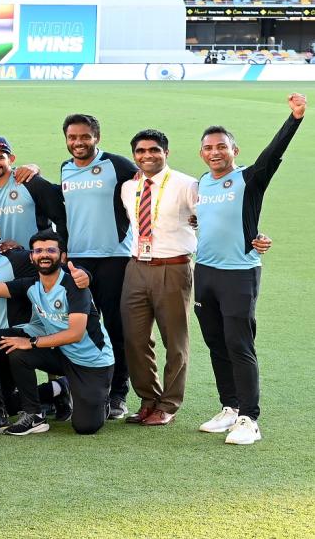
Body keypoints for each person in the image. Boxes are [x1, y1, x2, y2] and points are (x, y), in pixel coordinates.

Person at [193, 93, 304, 445]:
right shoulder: (202, 182)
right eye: (209, 147)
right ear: (202, 153)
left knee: (238, 344)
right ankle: (229, 407)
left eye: (222, 146)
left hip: (239, 273)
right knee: (215, 342)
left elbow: (273, 154)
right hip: (205, 272)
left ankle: (249, 419)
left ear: (234, 151)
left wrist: (295, 118)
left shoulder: (249, 178)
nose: (215, 152)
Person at [0, 230, 115, 435]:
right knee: (2, 348)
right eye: (38, 250)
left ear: (63, 256)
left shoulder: (74, 285)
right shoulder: (31, 285)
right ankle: (35, 414)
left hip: (91, 362)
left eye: (51, 250)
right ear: (32, 256)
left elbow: (75, 333)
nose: (44, 254)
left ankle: (97, 398)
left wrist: (31, 342)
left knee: (86, 426)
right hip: (59, 353)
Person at [58, 113, 139, 419]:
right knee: (83, 327)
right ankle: (87, 390)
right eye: (72, 137)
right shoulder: (65, 169)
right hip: (79, 260)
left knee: (117, 328)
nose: (78, 142)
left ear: (97, 137)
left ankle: (119, 394)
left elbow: (148, 190)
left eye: (84, 137)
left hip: (114, 258)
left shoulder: (117, 165)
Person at [119, 129, 199, 427]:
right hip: (137, 266)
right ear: (134, 155)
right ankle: (148, 399)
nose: (147, 156)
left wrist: (197, 221)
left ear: (166, 152)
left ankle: (169, 403)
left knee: (174, 340)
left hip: (173, 267)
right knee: (135, 338)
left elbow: (209, 216)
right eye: (140, 151)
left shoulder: (187, 184)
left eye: (154, 150)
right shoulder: (129, 187)